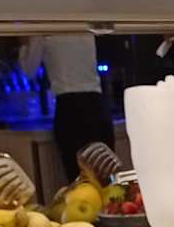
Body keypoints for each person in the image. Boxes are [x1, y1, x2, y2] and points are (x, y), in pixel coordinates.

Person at [20, 33, 114, 181]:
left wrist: (24, 44)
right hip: (97, 104)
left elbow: (29, 70)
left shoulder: (43, 32)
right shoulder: (84, 28)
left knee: (79, 178)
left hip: (70, 108)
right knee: (105, 175)